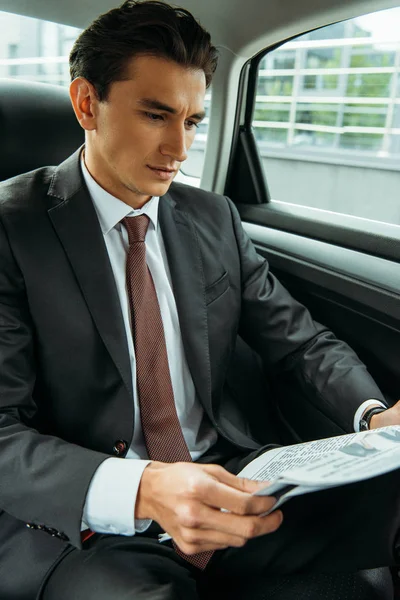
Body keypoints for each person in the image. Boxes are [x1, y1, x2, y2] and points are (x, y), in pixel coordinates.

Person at [0, 1, 400, 599]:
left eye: (191, 121)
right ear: (87, 103)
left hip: (231, 479)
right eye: (157, 115)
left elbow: (299, 342)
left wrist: (374, 419)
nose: (180, 147)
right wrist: (142, 489)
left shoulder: (212, 216)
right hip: (83, 521)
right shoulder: (12, 229)